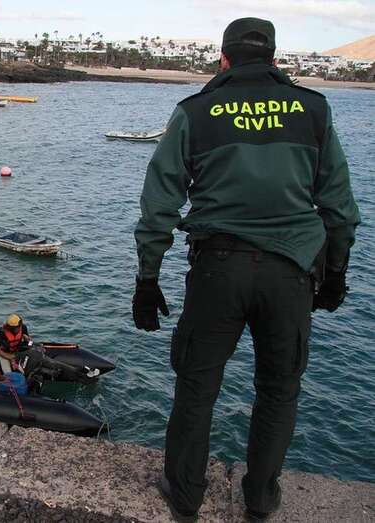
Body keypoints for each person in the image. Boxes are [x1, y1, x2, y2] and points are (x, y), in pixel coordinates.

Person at [131, 17, 360, 522]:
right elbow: (340, 207)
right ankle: (260, 500)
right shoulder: (313, 109)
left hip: (218, 271)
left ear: (224, 58)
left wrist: (147, 278)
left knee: (196, 388)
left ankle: (186, 497)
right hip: (291, 274)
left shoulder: (196, 111)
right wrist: (336, 272)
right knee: (279, 390)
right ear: (275, 59)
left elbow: (159, 203)